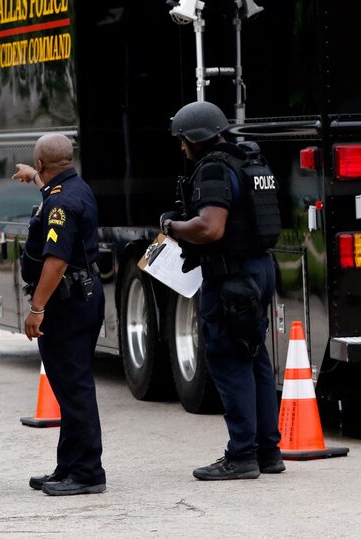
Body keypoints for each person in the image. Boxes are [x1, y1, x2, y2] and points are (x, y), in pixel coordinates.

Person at [162, 100, 284, 480]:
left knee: (229, 360)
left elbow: (210, 227)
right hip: (258, 270)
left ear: (197, 137)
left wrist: (172, 226)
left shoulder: (215, 167)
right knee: (255, 358)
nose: (182, 147)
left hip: (231, 279)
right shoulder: (251, 160)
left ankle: (242, 455)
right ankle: (268, 452)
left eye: (183, 139)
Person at [12, 133, 106, 496]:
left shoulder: (61, 203)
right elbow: (52, 198)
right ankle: (68, 465)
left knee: (74, 385)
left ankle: (87, 472)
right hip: (82, 295)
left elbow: (56, 261)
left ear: (41, 163)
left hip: (67, 302)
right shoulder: (73, 188)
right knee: (68, 385)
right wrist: (35, 179)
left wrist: (37, 308)